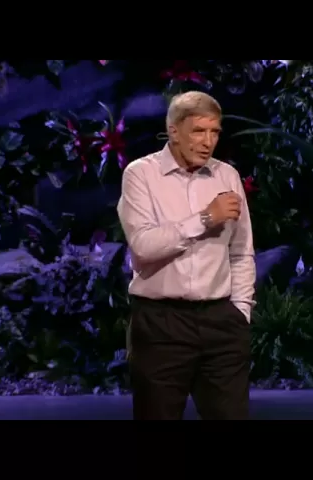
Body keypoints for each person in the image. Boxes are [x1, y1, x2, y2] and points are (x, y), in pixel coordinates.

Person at [117, 91, 256, 420]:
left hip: (221, 322)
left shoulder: (227, 176)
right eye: (198, 131)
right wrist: (206, 218)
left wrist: (240, 312)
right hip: (161, 324)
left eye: (215, 132)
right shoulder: (141, 175)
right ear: (174, 131)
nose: (208, 142)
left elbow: (241, 252)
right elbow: (144, 245)